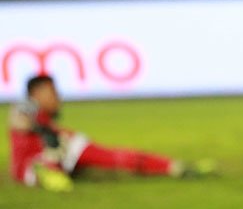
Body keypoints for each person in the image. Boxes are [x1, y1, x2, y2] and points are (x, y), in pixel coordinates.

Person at [7, 74, 213, 192]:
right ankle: (47, 171)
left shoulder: (46, 120)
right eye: (52, 92)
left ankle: (173, 167)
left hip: (57, 150)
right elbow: (17, 119)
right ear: (37, 93)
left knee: (106, 156)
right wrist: (40, 129)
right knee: (56, 156)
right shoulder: (27, 105)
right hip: (31, 163)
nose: (58, 97)